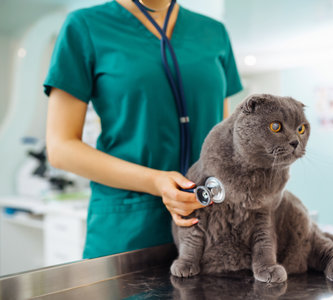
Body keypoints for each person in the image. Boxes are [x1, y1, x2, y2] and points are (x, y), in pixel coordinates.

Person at [44, 0, 242, 258]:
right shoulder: (84, 26)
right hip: (129, 231)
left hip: (211, 226)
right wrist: (155, 181)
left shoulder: (214, 32)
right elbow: (61, 148)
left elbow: (225, 139)